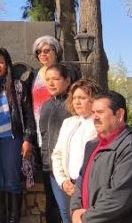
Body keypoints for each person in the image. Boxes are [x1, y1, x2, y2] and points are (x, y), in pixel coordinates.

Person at [70, 91, 132, 223]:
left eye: (100, 112)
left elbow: (119, 197)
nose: (95, 117)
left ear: (119, 115)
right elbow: (81, 181)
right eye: (93, 112)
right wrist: (75, 211)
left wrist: (85, 218)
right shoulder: (92, 145)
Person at [0, 48, 35, 223]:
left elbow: (28, 115)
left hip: (11, 140)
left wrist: (27, 139)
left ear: (7, 64)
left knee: (12, 181)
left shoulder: (17, 86)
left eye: (1, 62)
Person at [51, 79, 103, 223]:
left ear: (93, 100)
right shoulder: (69, 123)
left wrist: (81, 186)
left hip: (89, 188)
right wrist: (62, 181)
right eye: (74, 98)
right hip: (68, 185)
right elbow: (57, 154)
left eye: (82, 98)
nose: (77, 102)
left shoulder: (100, 124)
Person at [29, 36, 64, 223]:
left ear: (56, 51)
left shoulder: (66, 72)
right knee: (50, 190)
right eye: (39, 51)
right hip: (42, 138)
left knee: (64, 187)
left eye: (47, 50)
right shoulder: (34, 74)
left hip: (61, 136)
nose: (43, 54)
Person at [39, 64, 73, 223]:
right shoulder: (46, 105)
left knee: (68, 212)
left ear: (67, 81)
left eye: (56, 79)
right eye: (47, 79)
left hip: (67, 167)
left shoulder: (72, 104)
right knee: (55, 209)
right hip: (49, 166)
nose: (51, 83)